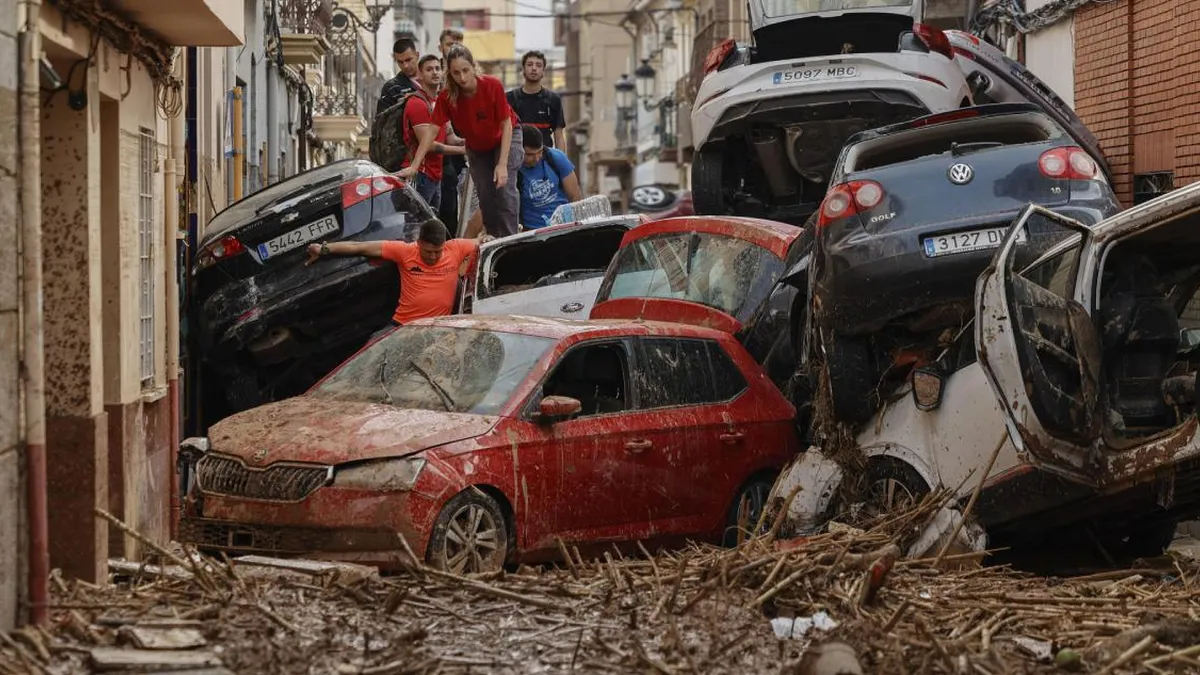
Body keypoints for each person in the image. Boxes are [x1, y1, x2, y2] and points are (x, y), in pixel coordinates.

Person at [414, 45, 523, 238]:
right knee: (486, 196)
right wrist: (415, 165)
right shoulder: (447, 97)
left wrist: (502, 164)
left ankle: (511, 238)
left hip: (506, 136)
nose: (462, 77)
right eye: (456, 73)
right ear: (450, 73)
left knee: (504, 189)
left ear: (473, 67)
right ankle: (495, 238)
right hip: (477, 146)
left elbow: (506, 124)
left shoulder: (492, 85)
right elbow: (432, 130)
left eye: (465, 70)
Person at [305, 219, 490, 331]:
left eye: (438, 252)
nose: (433, 257)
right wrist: (323, 249)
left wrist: (487, 239)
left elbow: (482, 241)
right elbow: (359, 247)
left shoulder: (455, 248)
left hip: (436, 328)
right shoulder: (405, 251)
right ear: (418, 243)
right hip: (402, 326)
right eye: (428, 251)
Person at [398, 55, 465, 211]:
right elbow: (428, 145)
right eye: (429, 69)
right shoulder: (417, 103)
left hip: (435, 176)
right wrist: (462, 150)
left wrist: (469, 142)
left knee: (431, 228)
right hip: (420, 175)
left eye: (437, 68)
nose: (435, 73)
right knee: (417, 225)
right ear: (420, 75)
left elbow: (451, 138)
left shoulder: (440, 103)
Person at [517, 124, 582, 229]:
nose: (537, 158)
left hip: (564, 226)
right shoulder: (513, 170)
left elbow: (575, 196)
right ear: (519, 150)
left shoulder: (556, 158)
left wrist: (576, 225)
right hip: (533, 231)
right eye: (530, 155)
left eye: (540, 152)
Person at [506, 50, 566, 150]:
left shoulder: (553, 99)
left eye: (538, 65)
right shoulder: (510, 98)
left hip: (544, 158)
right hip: (517, 159)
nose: (534, 68)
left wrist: (561, 162)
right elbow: (503, 131)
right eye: (530, 65)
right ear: (523, 69)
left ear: (543, 71)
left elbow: (559, 134)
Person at [437, 28, 467, 229]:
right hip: (438, 146)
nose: (454, 48)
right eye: (450, 44)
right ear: (441, 48)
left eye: (458, 43)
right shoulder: (433, 71)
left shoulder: (466, 74)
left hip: (461, 147)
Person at [376, 38, 420, 115]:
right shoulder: (390, 88)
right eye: (400, 62)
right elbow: (382, 121)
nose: (405, 66)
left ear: (417, 55)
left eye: (408, 60)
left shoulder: (432, 79)